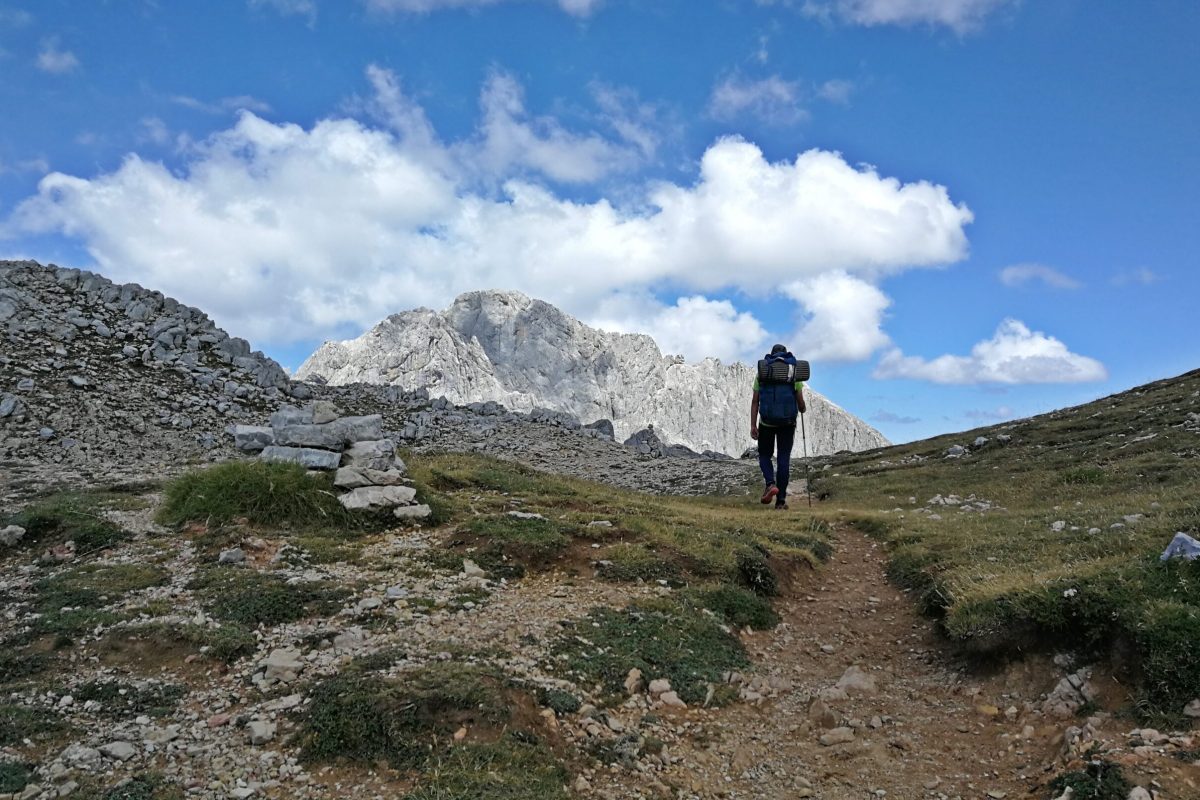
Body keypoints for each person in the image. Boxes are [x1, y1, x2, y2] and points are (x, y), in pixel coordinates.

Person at [750, 344, 806, 510]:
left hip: (766, 421)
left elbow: (755, 401)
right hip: (788, 423)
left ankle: (770, 483)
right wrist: (802, 408)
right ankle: (781, 501)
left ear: (771, 356)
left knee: (765, 455)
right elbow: (800, 401)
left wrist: (753, 425)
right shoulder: (793, 372)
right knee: (783, 458)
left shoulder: (763, 371)